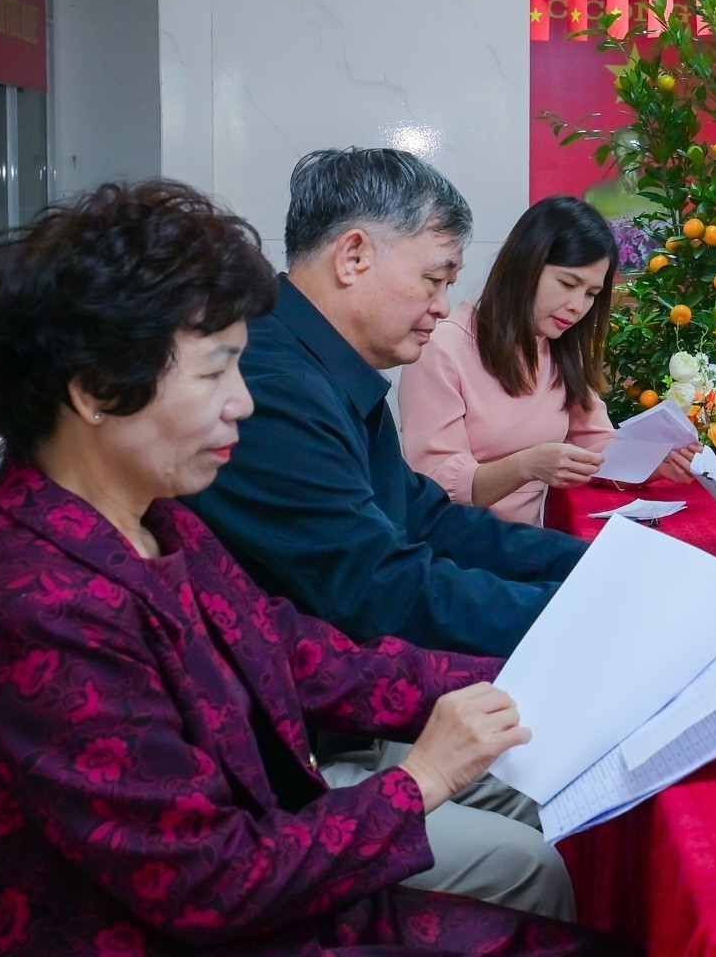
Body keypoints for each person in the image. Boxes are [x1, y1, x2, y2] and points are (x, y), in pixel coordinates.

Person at [0, 180, 617, 955]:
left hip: (259, 856)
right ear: (95, 390)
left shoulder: (157, 522)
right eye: (215, 373)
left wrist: (501, 686)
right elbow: (208, 883)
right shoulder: (35, 607)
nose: (244, 405)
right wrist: (418, 784)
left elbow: (296, 652)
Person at [182, 148, 584, 918]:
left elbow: (426, 521)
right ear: (354, 255)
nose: (442, 305)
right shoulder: (275, 386)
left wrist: (593, 573)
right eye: (434, 278)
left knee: (559, 775)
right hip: (297, 743)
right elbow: (383, 588)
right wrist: (580, 614)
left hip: (336, 697)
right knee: (529, 860)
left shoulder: (326, 367)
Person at [401, 195, 694, 526]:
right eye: (568, 284)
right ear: (525, 266)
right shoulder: (443, 349)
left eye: (590, 294)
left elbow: (597, 445)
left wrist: (651, 463)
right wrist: (527, 465)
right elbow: (437, 485)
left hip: (534, 538)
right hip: (461, 546)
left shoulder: (560, 347)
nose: (577, 306)